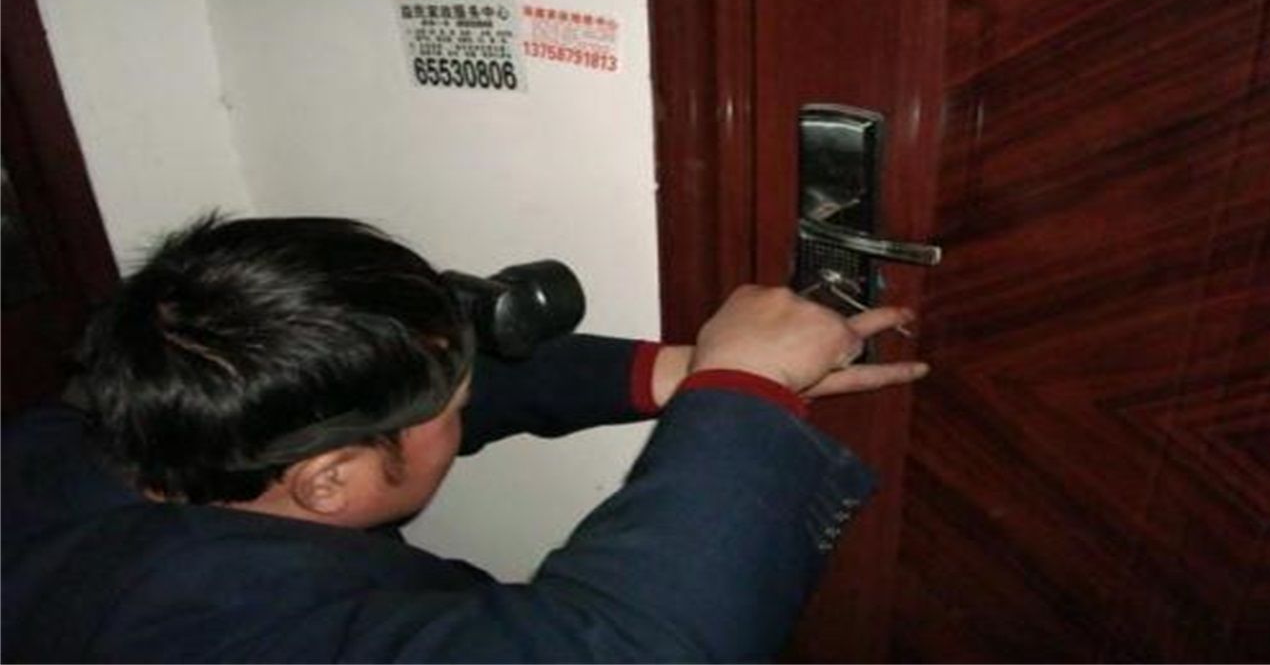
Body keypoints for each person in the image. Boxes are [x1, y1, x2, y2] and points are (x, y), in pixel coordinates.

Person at [1, 214, 927, 662]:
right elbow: (629, 650)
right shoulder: (212, 636)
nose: (470, 400)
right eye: (454, 403)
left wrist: (676, 372)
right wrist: (741, 393)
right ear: (327, 482)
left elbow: (372, 393)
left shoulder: (94, 429)